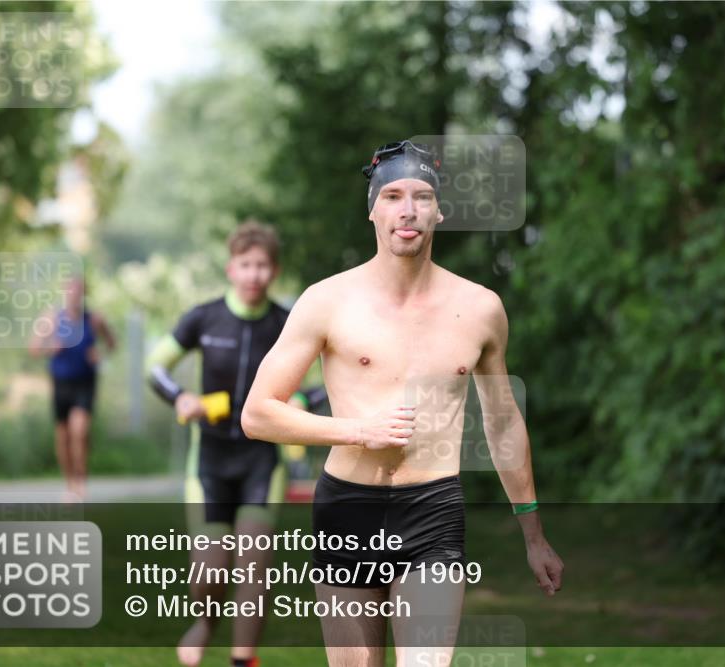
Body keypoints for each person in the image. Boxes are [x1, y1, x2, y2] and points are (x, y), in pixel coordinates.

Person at [242, 140, 564, 667]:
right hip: (347, 508)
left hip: (433, 510)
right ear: (373, 209)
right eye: (392, 196)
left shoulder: (480, 309)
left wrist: (534, 534)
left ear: (440, 211)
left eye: (422, 197)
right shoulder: (326, 301)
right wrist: (359, 430)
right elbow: (258, 413)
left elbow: (503, 422)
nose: (408, 210)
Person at [146, 221, 307, 667]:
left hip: (262, 461)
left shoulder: (286, 324)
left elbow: (327, 382)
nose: (254, 274)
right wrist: (181, 397)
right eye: (245, 264)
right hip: (210, 462)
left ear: (274, 271)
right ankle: (204, 622)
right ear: (231, 268)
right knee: (210, 572)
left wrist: (299, 399)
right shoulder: (204, 318)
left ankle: (243, 659)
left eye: (262, 265)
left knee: (254, 562)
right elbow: (155, 366)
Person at [30, 275, 116, 499]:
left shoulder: (94, 319)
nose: (73, 295)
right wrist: (51, 348)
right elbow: (34, 348)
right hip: (61, 383)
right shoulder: (52, 318)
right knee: (63, 436)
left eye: (78, 291)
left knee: (80, 431)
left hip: (85, 382)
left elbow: (111, 343)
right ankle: (69, 484)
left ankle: (81, 482)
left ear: (83, 294)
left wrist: (100, 354)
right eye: (70, 291)